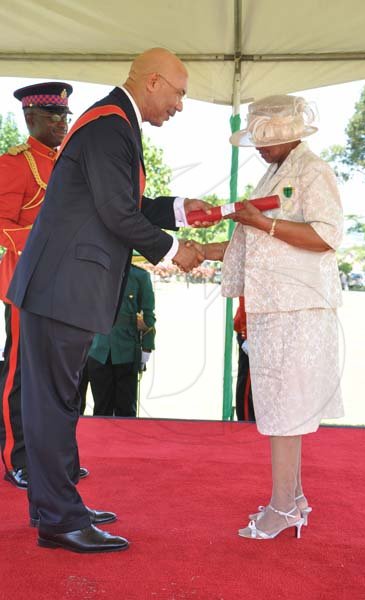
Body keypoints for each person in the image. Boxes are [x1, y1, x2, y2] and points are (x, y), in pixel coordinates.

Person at [7, 47, 208, 554]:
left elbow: (124, 203)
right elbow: (119, 213)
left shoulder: (114, 123)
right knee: (53, 404)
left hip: (61, 288)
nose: (181, 106)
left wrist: (183, 211)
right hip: (61, 288)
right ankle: (60, 518)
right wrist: (173, 250)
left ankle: (56, 505)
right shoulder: (108, 125)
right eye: (180, 93)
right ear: (154, 82)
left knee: (60, 401)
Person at [200, 94, 344, 540]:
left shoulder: (312, 170)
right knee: (285, 406)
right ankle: (294, 498)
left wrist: (260, 222)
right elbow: (258, 244)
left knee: (284, 408)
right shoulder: (276, 171)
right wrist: (202, 249)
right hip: (277, 308)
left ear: (288, 135)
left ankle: (283, 508)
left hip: (295, 308)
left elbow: (327, 234)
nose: (258, 147)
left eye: (265, 139)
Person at [0, 82, 88, 489]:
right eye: (53, 116)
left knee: (62, 378)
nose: (61, 124)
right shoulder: (13, 164)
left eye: (64, 116)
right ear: (29, 118)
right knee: (20, 374)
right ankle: (16, 457)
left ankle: (60, 459)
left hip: (65, 285)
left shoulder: (69, 162)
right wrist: (46, 238)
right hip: (26, 284)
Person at [88, 261, 156, 417]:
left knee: (126, 411)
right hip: (98, 350)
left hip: (127, 350)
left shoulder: (140, 276)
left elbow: (148, 315)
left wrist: (147, 347)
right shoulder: (95, 272)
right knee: (101, 410)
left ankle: (126, 442)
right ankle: (101, 441)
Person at [233, 296, 254, 421]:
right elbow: (246, 296)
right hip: (252, 330)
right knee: (247, 388)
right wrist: (246, 334)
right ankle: (246, 425)